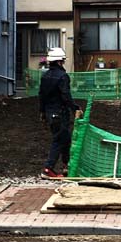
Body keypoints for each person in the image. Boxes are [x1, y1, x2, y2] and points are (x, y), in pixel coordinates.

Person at [38, 48, 80, 178]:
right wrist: (75, 108)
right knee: (59, 140)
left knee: (65, 139)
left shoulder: (45, 76)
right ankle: (48, 168)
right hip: (60, 113)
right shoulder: (62, 76)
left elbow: (42, 96)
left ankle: (66, 166)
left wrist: (42, 112)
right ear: (60, 61)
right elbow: (65, 95)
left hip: (50, 114)